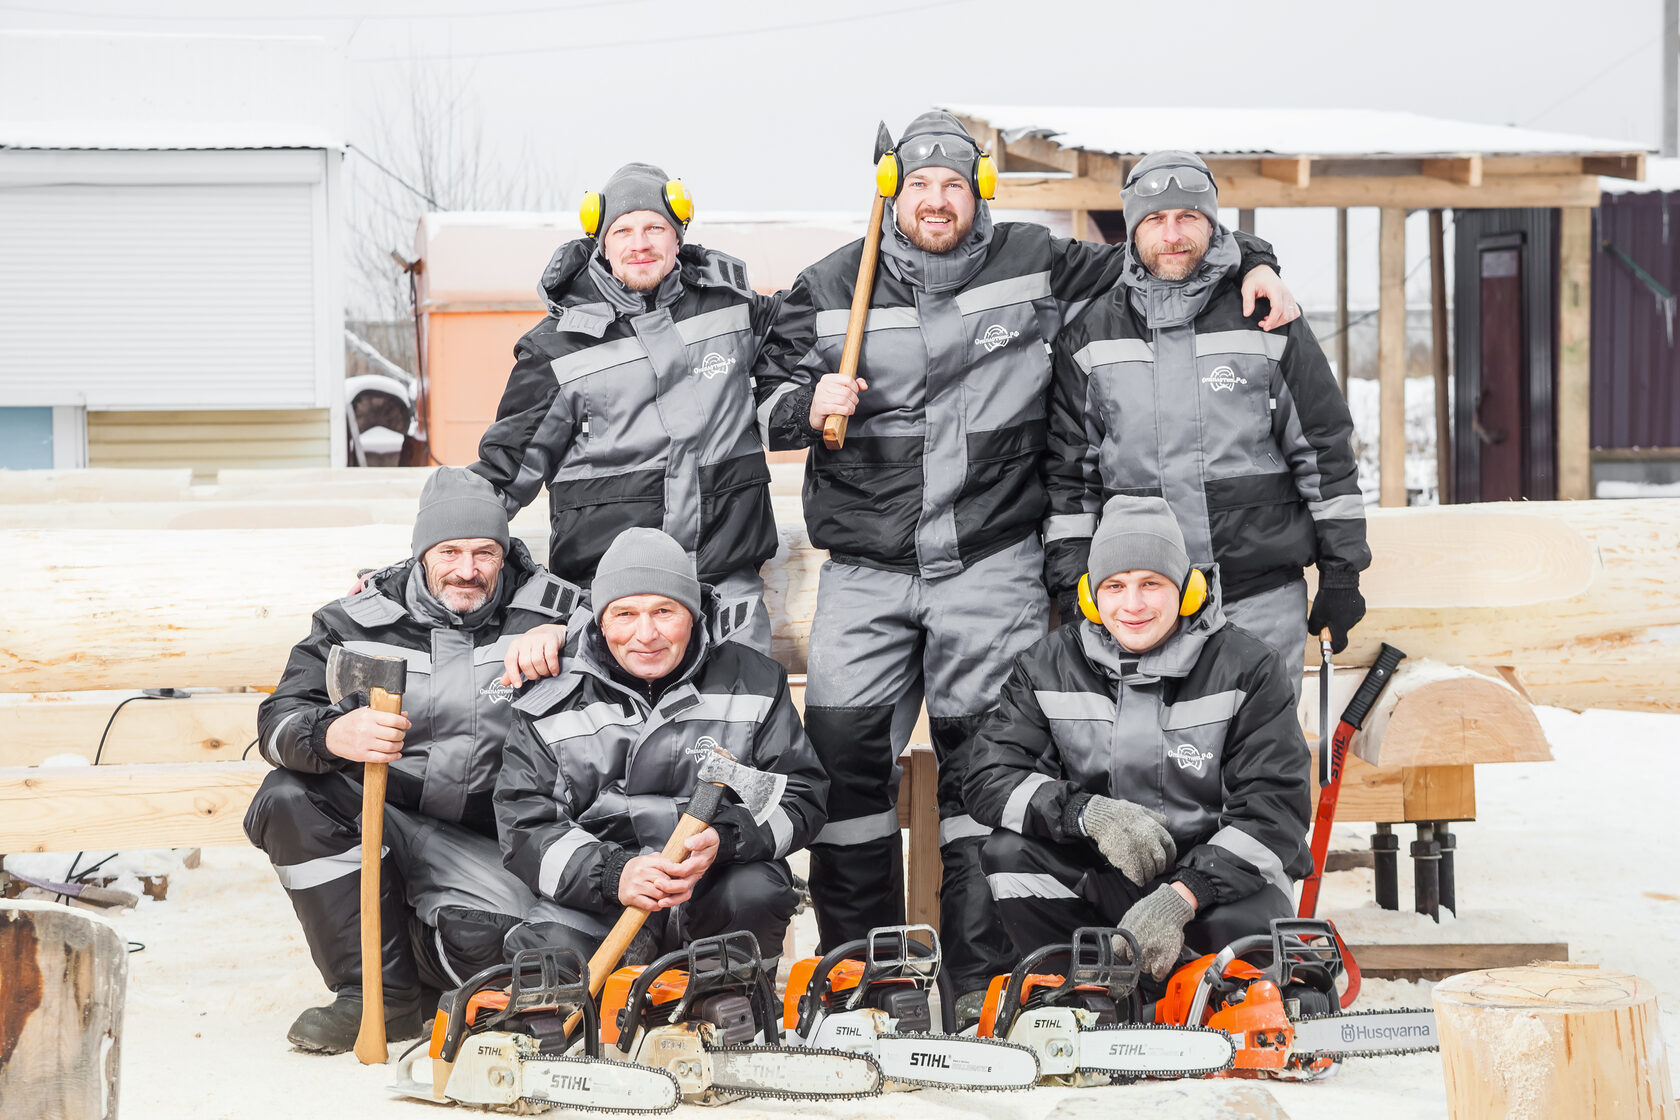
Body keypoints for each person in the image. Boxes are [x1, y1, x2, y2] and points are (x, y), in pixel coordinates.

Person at [751, 111, 1299, 1008]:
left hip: (988, 562)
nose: (937, 201)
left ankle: (978, 979)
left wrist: (1260, 253)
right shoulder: (827, 286)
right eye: (920, 185)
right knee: (848, 774)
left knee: (986, 775)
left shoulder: (1034, 262)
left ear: (980, 193)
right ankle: (858, 975)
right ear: (893, 192)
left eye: (954, 186)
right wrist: (802, 406)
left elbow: (1163, 254)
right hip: (865, 567)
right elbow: (751, 393)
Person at [245, 468, 586, 1053]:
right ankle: (376, 997)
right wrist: (332, 733)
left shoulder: (557, 616)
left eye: (485, 552)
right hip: (391, 818)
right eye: (449, 550)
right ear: (421, 551)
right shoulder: (353, 622)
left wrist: (575, 637)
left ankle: (432, 972)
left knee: (511, 951)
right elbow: (277, 723)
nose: (466, 569)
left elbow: (640, 646)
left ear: (505, 554)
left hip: (501, 842)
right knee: (286, 797)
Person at [1045, 150, 1369, 687]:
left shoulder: (1266, 317)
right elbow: (1068, 482)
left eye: (1188, 216)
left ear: (1213, 222)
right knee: (1150, 764)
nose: (1172, 234)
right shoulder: (1093, 335)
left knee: (1265, 758)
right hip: (1140, 605)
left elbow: (1324, 449)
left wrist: (1341, 571)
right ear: (1132, 230)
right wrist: (1074, 587)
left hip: (1258, 595)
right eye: (1154, 219)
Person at [964, 495, 1311, 982]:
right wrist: (1084, 813)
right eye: (1115, 585)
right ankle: (1078, 998)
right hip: (1106, 877)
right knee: (1008, 855)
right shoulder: (1046, 667)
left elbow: (1276, 810)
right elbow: (988, 778)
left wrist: (1183, 894)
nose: (1132, 605)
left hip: (1217, 887)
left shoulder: (1249, 668)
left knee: (1243, 941)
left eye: (1151, 584)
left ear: (1186, 588)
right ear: (1090, 594)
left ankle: (1201, 1004)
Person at [471, 162, 783, 654]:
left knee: (744, 717)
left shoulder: (734, 311)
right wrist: (416, 567)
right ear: (602, 242)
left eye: (655, 227)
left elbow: (817, 322)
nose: (640, 243)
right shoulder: (557, 349)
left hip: (725, 588)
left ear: (678, 234)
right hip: (611, 597)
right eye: (624, 230)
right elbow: (501, 476)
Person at [495, 527, 827, 972]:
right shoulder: (552, 694)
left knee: (756, 892)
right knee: (545, 961)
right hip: (601, 894)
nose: (646, 634)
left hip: (712, 884)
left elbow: (800, 796)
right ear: (601, 620)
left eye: (664, 611)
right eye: (626, 613)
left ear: (692, 614)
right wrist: (614, 874)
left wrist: (726, 840)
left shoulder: (755, 681)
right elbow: (524, 820)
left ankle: (731, 997)